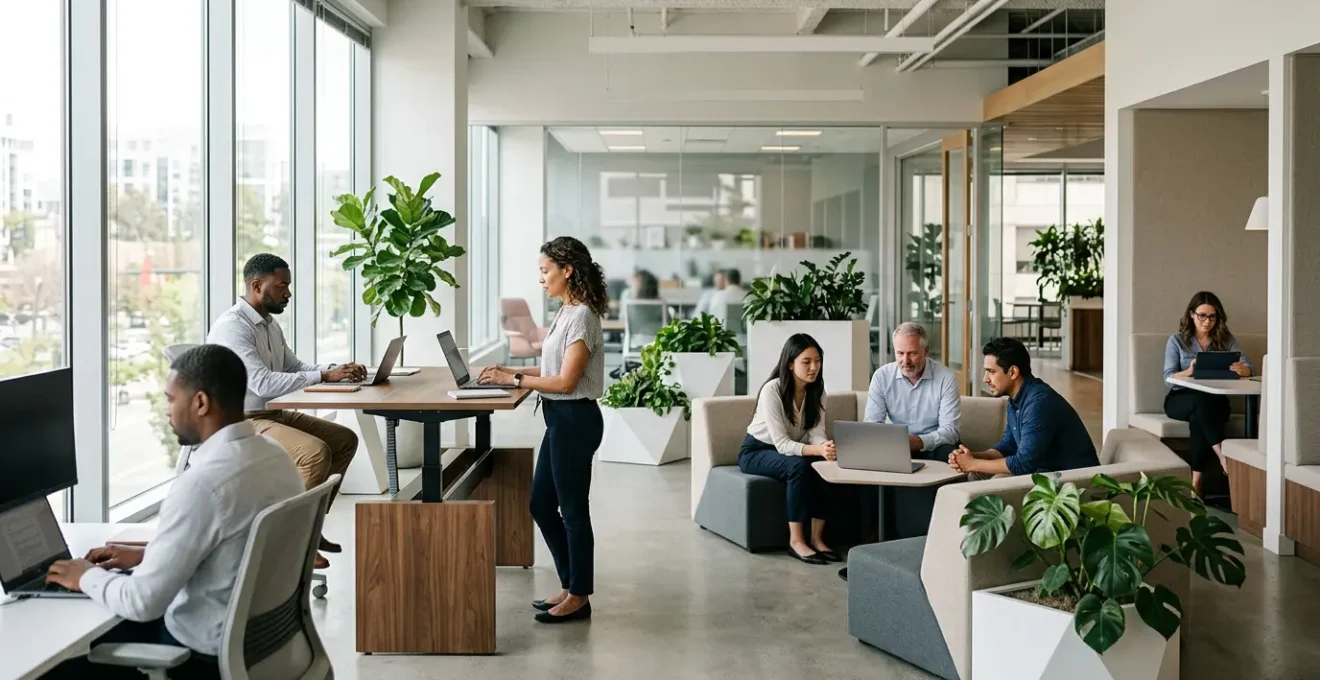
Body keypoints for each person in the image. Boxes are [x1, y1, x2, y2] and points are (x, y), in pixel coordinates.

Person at [44, 345, 304, 679]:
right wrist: (151, 555)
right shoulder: (274, 455)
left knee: (52, 668)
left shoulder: (203, 484)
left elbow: (143, 602)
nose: (167, 411)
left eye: (170, 399)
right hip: (262, 644)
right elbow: (239, 547)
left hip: (198, 659)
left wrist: (84, 575)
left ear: (200, 403)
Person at [478, 236, 607, 624]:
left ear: (567, 271)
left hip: (575, 421)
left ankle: (580, 595)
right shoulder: (565, 313)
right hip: (560, 420)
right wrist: (504, 373)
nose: (541, 279)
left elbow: (566, 382)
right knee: (540, 504)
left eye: (545, 271)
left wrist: (515, 377)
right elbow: (551, 371)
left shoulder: (582, 315)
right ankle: (571, 585)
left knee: (572, 511)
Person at [208, 253, 362, 569]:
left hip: (271, 414)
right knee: (315, 453)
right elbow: (262, 383)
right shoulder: (233, 328)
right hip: (241, 420)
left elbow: (293, 368)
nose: (288, 294)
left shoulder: (268, 324)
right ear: (256, 285)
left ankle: (309, 529)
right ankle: (289, 543)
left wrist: (335, 370)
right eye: (282, 286)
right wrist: (323, 377)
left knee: (344, 439)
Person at [738, 333, 840, 565]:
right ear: (790, 363)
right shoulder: (772, 390)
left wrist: (824, 448)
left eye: (817, 361)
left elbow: (815, 432)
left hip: (790, 450)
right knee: (798, 467)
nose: (814, 367)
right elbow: (782, 444)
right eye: (806, 362)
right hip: (756, 451)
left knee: (824, 466)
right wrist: (816, 451)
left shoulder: (817, 391)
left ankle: (816, 538)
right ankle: (796, 541)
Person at [949, 337, 1098, 479]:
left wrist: (973, 464)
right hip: (1047, 476)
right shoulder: (1015, 400)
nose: (985, 379)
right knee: (977, 473)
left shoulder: (1039, 403)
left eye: (992, 371)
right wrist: (972, 457)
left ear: (1013, 372)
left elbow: (1024, 464)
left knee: (986, 474)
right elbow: (1007, 447)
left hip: (1072, 483)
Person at [1163, 291, 1253, 495]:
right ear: (1192, 315)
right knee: (1199, 404)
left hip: (1215, 402)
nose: (1207, 321)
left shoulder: (1226, 339)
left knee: (1200, 417)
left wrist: (1243, 370)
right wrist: (1188, 372)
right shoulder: (1177, 340)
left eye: (1212, 316)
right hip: (1180, 400)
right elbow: (1168, 377)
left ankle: (1196, 483)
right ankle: (1223, 455)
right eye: (1202, 315)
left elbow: (1249, 367)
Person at [865, 322, 961, 461]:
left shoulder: (946, 378)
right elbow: (872, 425)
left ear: (926, 351)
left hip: (934, 445)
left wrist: (919, 442)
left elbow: (951, 431)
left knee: (951, 452)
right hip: (896, 445)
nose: (906, 361)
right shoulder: (882, 376)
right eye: (900, 353)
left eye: (912, 353)